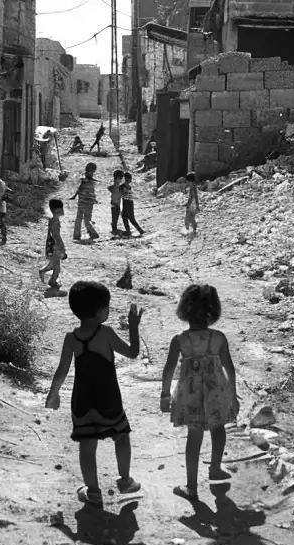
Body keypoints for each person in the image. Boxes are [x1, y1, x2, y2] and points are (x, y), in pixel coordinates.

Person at [45, 281, 144, 508]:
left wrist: (54, 394)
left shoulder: (71, 338)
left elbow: (62, 370)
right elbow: (132, 352)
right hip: (108, 399)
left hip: (82, 400)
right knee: (121, 436)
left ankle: (93, 491)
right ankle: (125, 480)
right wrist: (133, 325)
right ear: (101, 311)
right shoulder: (106, 333)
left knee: (87, 446)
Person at [160, 282, 239, 506]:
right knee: (218, 428)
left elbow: (168, 371)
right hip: (217, 392)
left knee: (194, 439)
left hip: (190, 395)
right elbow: (230, 369)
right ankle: (215, 468)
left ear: (184, 310)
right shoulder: (219, 338)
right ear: (213, 311)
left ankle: (191, 487)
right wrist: (232, 395)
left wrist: (165, 396)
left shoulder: (180, 340)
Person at [42, 196, 66, 292]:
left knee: (54, 264)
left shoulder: (52, 220)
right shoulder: (55, 221)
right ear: (57, 210)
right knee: (57, 267)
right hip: (55, 246)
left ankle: (43, 272)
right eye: (61, 208)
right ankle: (52, 282)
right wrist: (62, 247)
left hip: (51, 245)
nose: (63, 210)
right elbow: (56, 235)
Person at [74, 162, 102, 242]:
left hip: (89, 202)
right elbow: (78, 189)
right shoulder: (83, 180)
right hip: (82, 201)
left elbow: (92, 192)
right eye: (91, 171)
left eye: (93, 171)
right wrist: (74, 196)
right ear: (86, 170)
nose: (92, 173)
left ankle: (93, 233)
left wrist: (94, 199)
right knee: (79, 218)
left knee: (87, 219)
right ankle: (77, 235)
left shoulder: (92, 181)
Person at [116, 168, 146, 237]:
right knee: (125, 217)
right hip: (127, 203)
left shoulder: (125, 186)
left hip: (128, 203)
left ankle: (139, 230)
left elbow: (120, 194)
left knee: (130, 218)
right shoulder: (126, 186)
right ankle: (129, 230)